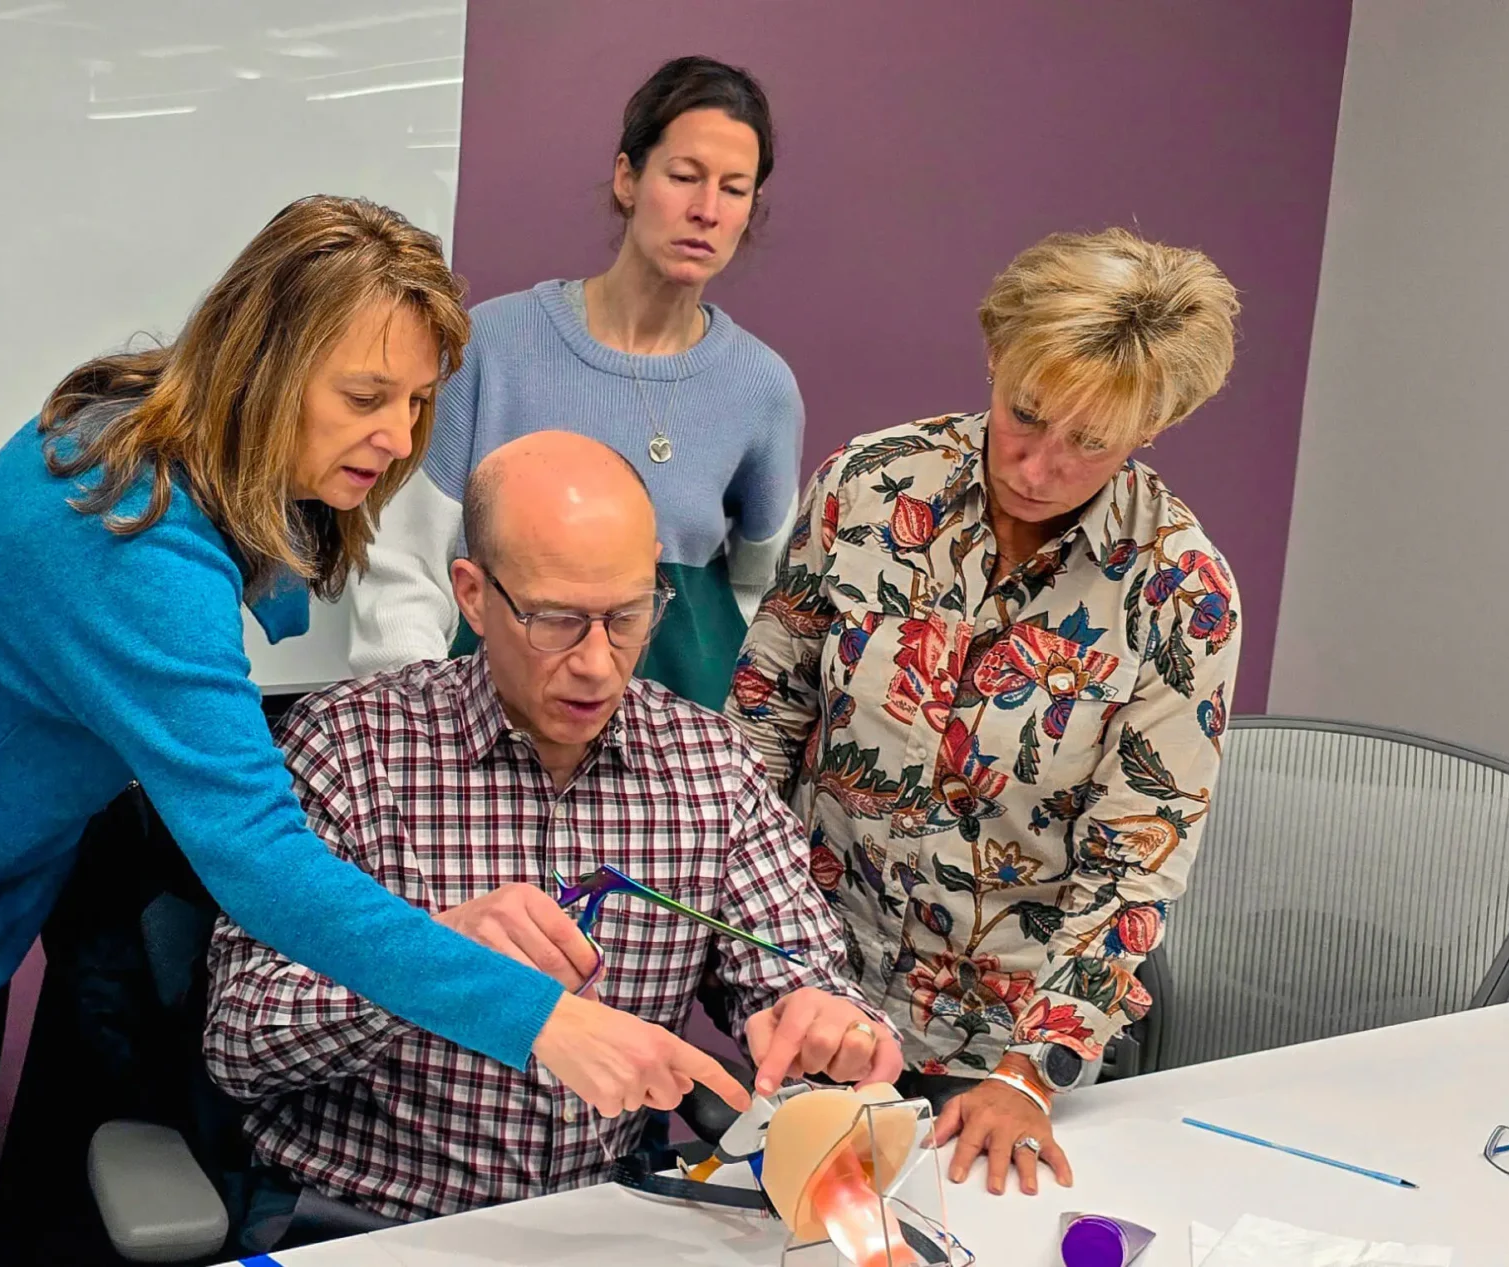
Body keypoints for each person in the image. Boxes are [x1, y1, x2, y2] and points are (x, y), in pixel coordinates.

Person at [0, 196, 729, 1133]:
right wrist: (541, 1020)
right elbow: (261, 858)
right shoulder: (129, 532)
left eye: (415, 402)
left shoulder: (167, 436)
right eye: (365, 398)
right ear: (261, 369)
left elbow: (275, 599)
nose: (401, 439)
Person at [204, 431, 904, 1247]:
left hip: (602, 1222)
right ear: (472, 594)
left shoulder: (710, 765)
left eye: (628, 615)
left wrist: (826, 1021)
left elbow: (798, 974)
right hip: (368, 1223)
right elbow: (240, 1041)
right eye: (558, 620)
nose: (598, 666)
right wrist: (430, 954)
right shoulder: (351, 747)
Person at [727, 228, 1243, 1197]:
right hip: (816, 1003)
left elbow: (1132, 875)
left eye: (1089, 441)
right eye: (1026, 414)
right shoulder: (871, 487)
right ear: (994, 357)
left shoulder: (1178, 591)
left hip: (1005, 1053)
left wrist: (1026, 1074)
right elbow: (756, 730)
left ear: (1151, 428)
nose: (1040, 465)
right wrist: (765, 962)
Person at [350, 55, 802, 711]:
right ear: (627, 178)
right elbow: (401, 568)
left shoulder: (763, 388)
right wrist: (428, 735)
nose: (706, 209)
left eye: (733, 189)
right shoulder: (492, 347)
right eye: (684, 176)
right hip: (492, 749)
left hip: (665, 769)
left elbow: (762, 596)